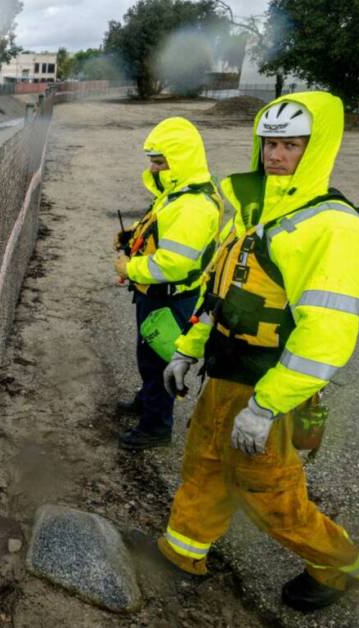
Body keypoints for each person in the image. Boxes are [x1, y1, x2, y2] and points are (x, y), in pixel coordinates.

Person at [159, 92, 359, 612]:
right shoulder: (254, 213)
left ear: (317, 147)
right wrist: (187, 350)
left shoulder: (333, 229)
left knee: (270, 491)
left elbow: (324, 337)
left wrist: (267, 406)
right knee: (206, 466)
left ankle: (340, 566)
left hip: (267, 387)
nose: (275, 155)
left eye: (291, 145)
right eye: (269, 143)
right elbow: (222, 294)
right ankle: (182, 551)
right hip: (225, 377)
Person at [113, 117, 221, 450]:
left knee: (159, 361)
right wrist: (133, 235)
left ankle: (155, 427)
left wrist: (130, 267)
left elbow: (172, 264)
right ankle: (147, 401)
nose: (154, 169)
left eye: (160, 162)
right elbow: (161, 226)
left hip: (170, 300)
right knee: (148, 356)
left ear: (181, 160)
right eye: (152, 162)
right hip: (156, 297)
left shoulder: (193, 206)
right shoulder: (179, 194)